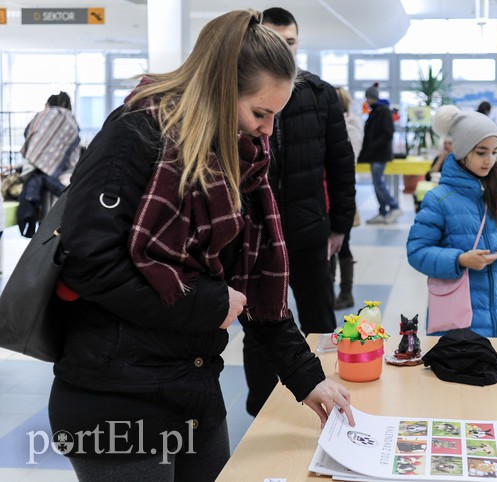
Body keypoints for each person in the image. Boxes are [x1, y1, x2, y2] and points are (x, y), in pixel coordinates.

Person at [48, 10, 354, 481]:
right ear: (220, 89)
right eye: (260, 113)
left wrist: (306, 376)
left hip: (194, 387)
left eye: (275, 115)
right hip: (115, 397)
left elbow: (257, 287)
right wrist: (209, 302)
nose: (268, 131)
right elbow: (89, 262)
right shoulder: (135, 134)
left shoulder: (240, 158)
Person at [242, 7, 356, 416]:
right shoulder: (245, 96)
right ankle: (262, 408)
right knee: (259, 323)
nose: (284, 49)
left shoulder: (319, 94)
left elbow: (341, 164)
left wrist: (340, 226)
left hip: (309, 231)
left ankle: (331, 398)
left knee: (319, 318)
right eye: (275, 41)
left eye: (289, 42)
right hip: (257, 235)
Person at [407, 106, 497, 338]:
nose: (490, 160)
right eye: (481, 152)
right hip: (458, 326)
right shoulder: (439, 199)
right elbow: (416, 252)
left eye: (495, 152)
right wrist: (460, 259)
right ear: (462, 151)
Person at [18, 91, 80, 237]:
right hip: (66, 180)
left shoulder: (48, 116)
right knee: (59, 227)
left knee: (45, 228)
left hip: (44, 180)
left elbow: (30, 139)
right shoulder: (70, 119)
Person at [330, 86, 363, 310]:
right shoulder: (337, 123)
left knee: (343, 244)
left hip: (342, 192)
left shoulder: (350, 124)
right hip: (331, 192)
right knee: (330, 246)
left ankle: (345, 292)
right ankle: (330, 290)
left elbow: (349, 156)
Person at [359, 82, 401, 224]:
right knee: (376, 183)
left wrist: (373, 147)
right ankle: (383, 212)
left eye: (367, 97)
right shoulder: (375, 111)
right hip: (374, 155)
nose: (366, 100)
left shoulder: (382, 111)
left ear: (371, 97)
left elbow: (388, 133)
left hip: (380, 155)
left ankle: (394, 206)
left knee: (378, 183)